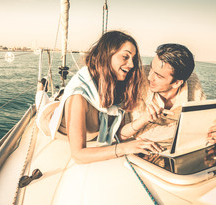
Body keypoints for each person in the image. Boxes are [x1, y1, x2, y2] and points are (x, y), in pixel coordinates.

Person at [36, 31, 163, 164]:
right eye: (125, 57)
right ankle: (40, 90)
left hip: (74, 110)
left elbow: (117, 134)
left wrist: (145, 119)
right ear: (107, 55)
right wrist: (125, 148)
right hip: (48, 118)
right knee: (42, 103)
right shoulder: (78, 98)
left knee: (60, 99)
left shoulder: (117, 87)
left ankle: (60, 96)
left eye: (133, 59)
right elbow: (78, 155)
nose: (131, 64)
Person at [124, 43, 216, 144]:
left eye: (158, 76)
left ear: (177, 83)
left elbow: (204, 123)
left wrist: (211, 130)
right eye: (151, 68)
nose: (150, 77)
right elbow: (139, 134)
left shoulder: (193, 82)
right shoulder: (139, 77)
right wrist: (193, 130)